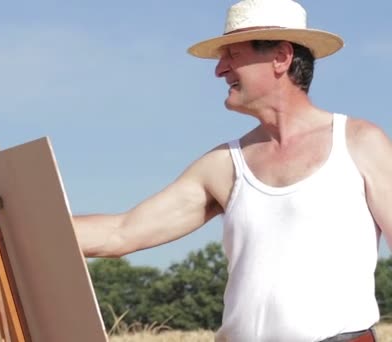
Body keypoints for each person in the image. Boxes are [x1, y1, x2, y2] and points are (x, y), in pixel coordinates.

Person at [72, 0, 392, 341]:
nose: (219, 70)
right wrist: (12, 227)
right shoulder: (224, 166)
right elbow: (122, 232)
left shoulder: (359, 143)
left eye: (232, 56)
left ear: (281, 57)